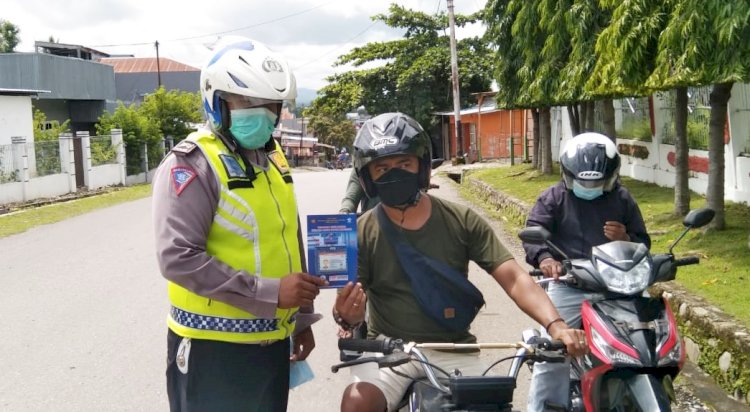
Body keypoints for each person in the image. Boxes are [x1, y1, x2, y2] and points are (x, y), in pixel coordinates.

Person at [332, 112, 588, 412]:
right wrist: (347, 316)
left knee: (489, 405)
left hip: (455, 348)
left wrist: (556, 326)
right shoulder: (361, 232)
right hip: (387, 350)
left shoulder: (461, 220)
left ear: (422, 167)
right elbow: (346, 305)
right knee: (356, 402)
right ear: (368, 178)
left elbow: (515, 278)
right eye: (382, 168)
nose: (394, 173)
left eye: (404, 164)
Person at [152, 36, 327, 412]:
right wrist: (269, 293)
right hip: (213, 352)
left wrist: (299, 319)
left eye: (270, 105)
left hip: (271, 348)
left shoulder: (273, 156)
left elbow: (285, 241)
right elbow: (177, 257)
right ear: (217, 102)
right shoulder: (191, 164)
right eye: (247, 102)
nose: (261, 113)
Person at [523, 132, 651, 411]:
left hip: (617, 286)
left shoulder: (622, 199)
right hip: (569, 285)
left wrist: (626, 238)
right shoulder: (553, 197)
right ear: (568, 174)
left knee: (645, 345)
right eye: (583, 180)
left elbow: (643, 243)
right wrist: (545, 259)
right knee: (552, 353)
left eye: (597, 181)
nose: (589, 186)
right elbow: (533, 235)